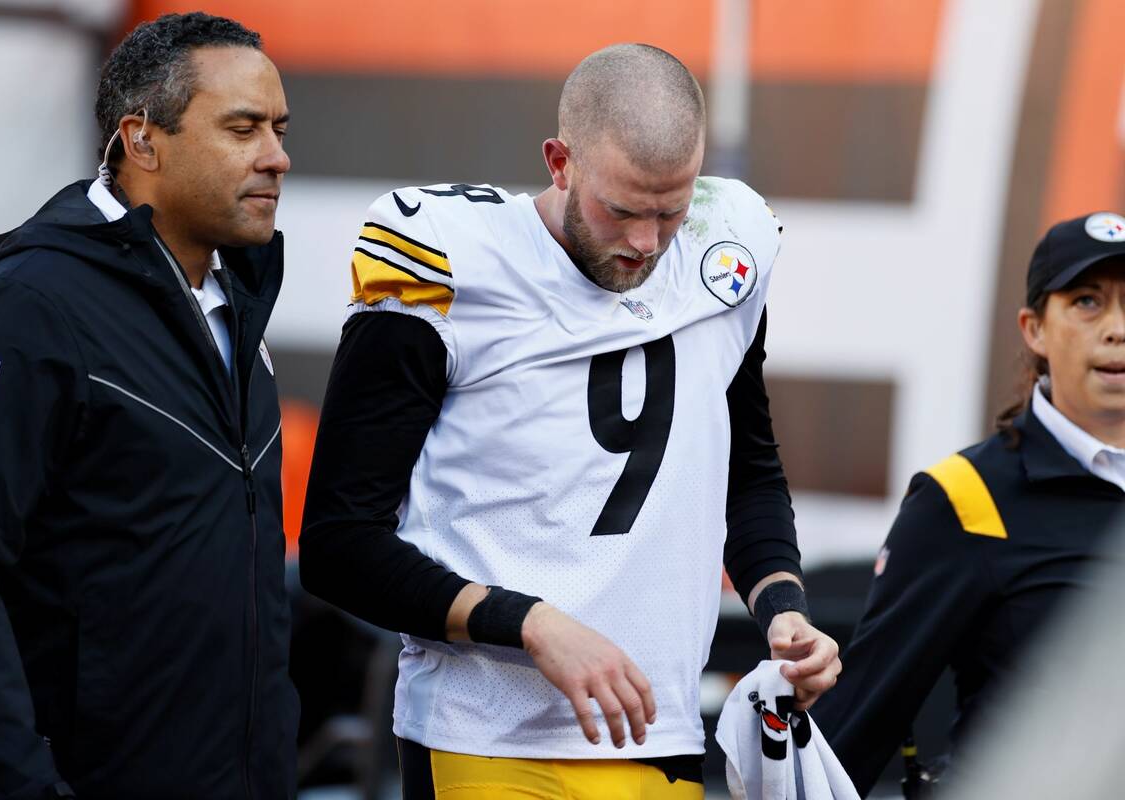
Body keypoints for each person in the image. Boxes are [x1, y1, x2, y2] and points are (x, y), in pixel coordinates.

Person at [299, 44, 841, 799]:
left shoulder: (728, 245)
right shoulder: (451, 261)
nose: (647, 243)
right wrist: (531, 624)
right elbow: (338, 543)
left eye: (671, 211)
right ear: (560, 161)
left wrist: (785, 610)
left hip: (660, 732)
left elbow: (744, 472)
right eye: (621, 210)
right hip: (483, 732)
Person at [0, 13, 297, 798]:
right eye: (242, 129)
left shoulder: (241, 301)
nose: (277, 157)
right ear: (143, 139)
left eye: (277, 128)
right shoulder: (27, 308)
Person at [811, 212, 1125, 796]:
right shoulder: (965, 498)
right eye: (1087, 301)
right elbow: (849, 737)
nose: (1116, 328)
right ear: (1034, 328)